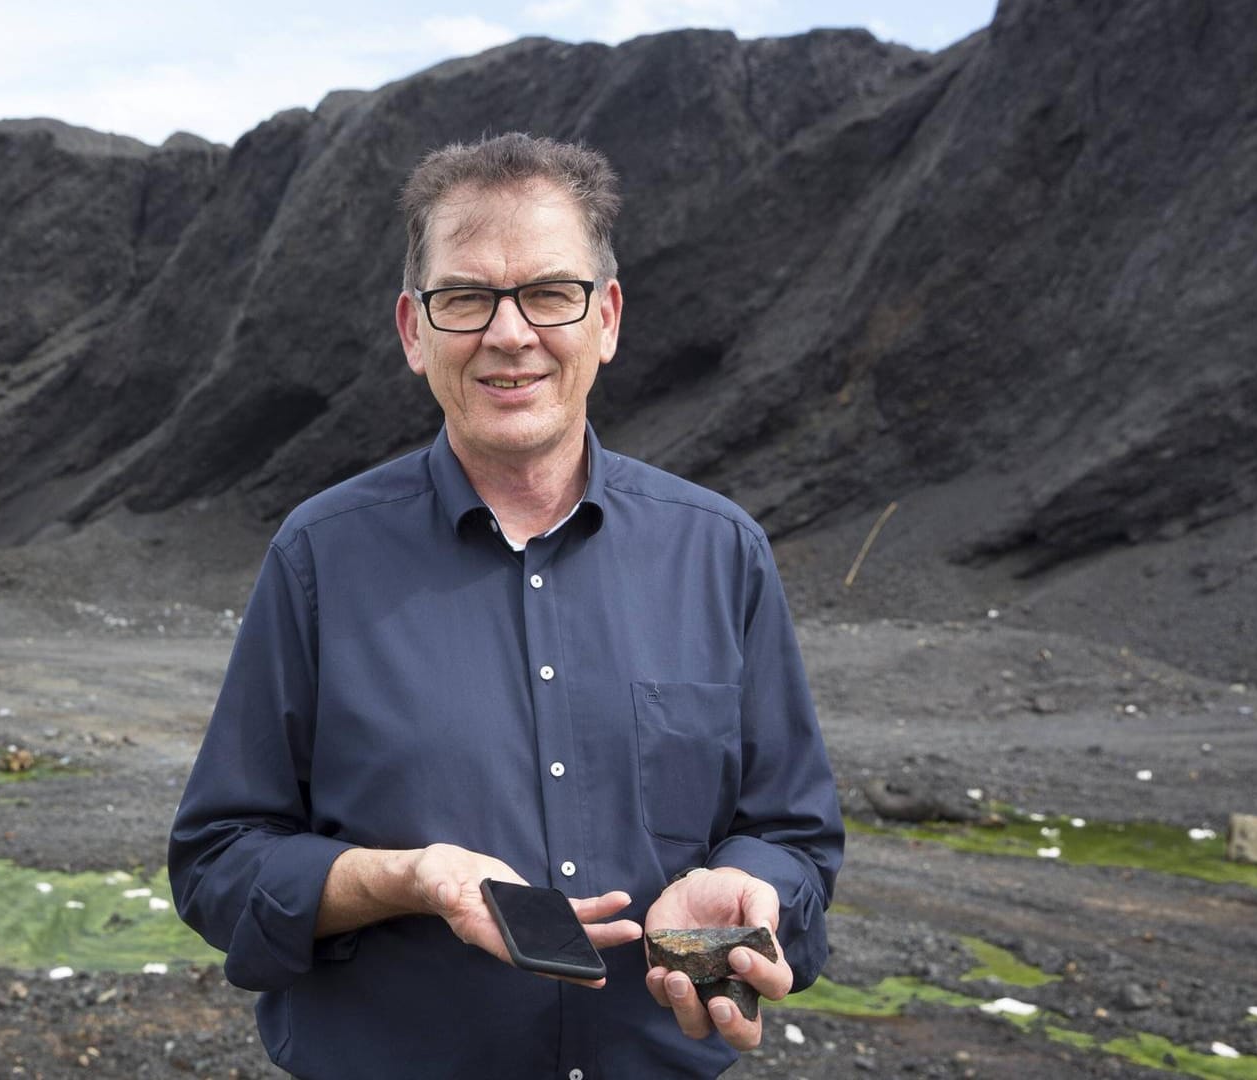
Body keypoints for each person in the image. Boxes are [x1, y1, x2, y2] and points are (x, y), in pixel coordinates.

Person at [168, 132, 842, 1079]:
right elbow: (218, 862)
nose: (510, 333)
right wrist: (402, 879)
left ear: (606, 318)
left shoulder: (720, 552)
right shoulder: (319, 557)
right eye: (466, 298)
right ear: (413, 330)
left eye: (549, 294)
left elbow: (795, 836)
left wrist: (752, 883)